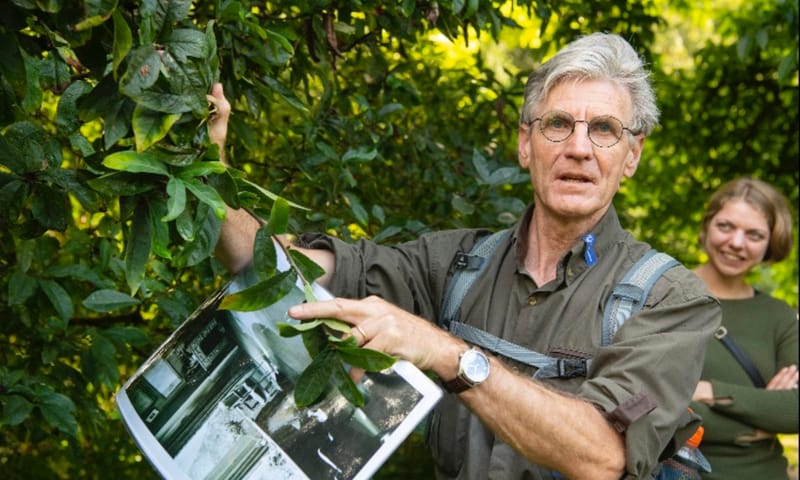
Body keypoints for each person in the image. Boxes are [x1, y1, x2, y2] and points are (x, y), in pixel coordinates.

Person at [208, 32, 721, 479]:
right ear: (525, 144)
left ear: (632, 156)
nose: (580, 148)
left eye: (605, 130)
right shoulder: (452, 264)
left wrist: (447, 353)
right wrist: (203, 173)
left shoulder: (669, 298)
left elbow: (602, 457)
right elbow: (271, 272)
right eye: (558, 124)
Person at [689, 178, 798, 479]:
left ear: (769, 243)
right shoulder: (665, 295)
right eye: (725, 226)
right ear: (707, 225)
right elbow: (653, 405)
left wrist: (706, 391)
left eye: (754, 234)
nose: (736, 242)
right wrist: (763, 414)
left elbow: (796, 409)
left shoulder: (779, 316)